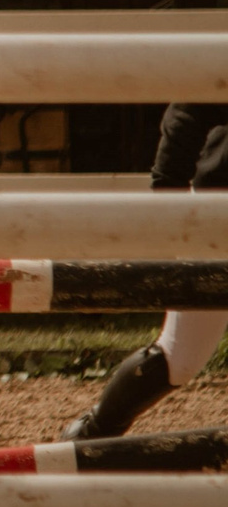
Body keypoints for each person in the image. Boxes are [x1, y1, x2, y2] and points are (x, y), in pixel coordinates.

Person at [61, 103, 228, 439]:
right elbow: (190, 106)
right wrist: (169, 196)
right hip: (218, 211)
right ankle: (92, 436)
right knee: (179, 356)